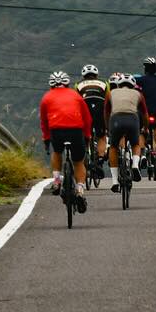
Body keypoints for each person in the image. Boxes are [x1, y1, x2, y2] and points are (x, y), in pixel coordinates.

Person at [39, 70, 91, 212]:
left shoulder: (46, 97)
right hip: (76, 130)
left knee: (57, 151)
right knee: (78, 161)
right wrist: (87, 137)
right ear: (67, 83)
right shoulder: (76, 95)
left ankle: (56, 180)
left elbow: (44, 122)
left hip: (56, 130)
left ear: (51, 85)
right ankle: (80, 190)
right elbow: (87, 119)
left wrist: (46, 139)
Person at [104, 72, 149, 194]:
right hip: (132, 120)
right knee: (135, 144)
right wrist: (146, 128)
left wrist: (108, 127)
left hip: (116, 120)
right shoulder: (138, 94)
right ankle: (135, 164)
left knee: (113, 147)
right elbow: (145, 114)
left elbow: (106, 112)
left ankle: (114, 181)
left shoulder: (111, 93)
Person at [76, 64, 109, 178]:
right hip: (100, 108)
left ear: (83, 76)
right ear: (96, 75)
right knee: (101, 135)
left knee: (85, 134)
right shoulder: (104, 83)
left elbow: (75, 100)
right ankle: (100, 159)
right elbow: (108, 99)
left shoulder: (78, 84)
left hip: (85, 108)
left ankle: (85, 152)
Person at [134, 57, 156, 165]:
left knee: (142, 131)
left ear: (145, 68)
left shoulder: (140, 80)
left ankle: (143, 154)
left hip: (144, 111)